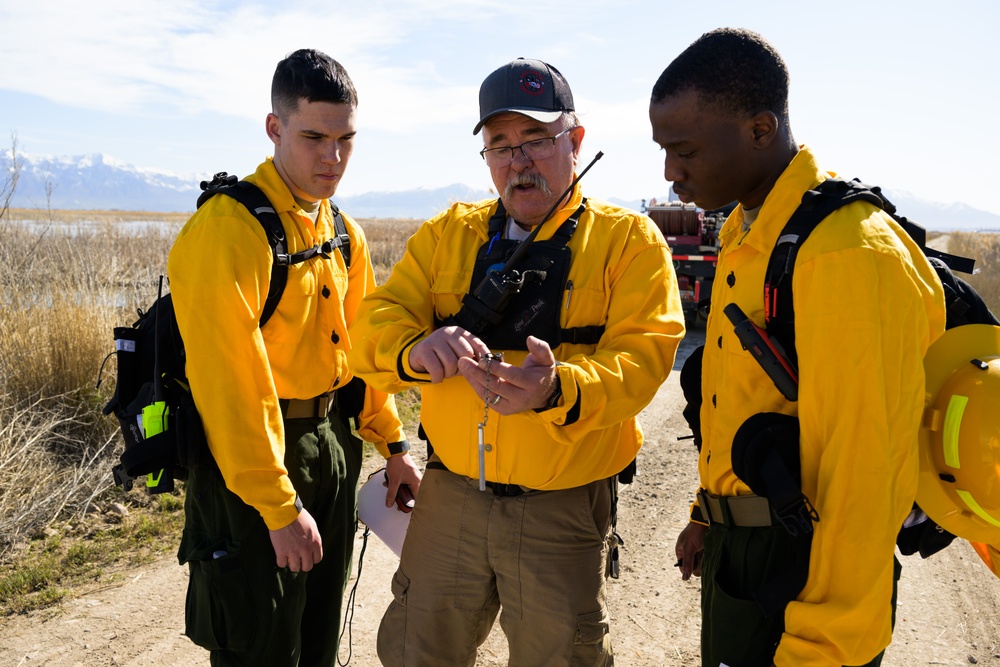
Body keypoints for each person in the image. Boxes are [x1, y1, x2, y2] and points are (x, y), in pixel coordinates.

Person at [347, 57, 685, 666]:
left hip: (561, 505)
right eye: (499, 144)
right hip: (450, 496)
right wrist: (414, 350)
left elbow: (645, 358)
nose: (517, 160)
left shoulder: (628, 241)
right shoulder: (448, 234)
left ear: (575, 141)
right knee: (416, 651)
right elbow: (372, 319)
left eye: (536, 139)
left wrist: (560, 389)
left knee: (559, 656)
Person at [649, 28, 946, 667]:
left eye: (685, 150)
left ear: (761, 130)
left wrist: (822, 647)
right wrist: (709, 516)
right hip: (744, 554)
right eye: (664, 151)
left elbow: (864, 477)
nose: (671, 174)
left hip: (804, 571)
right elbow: (746, 400)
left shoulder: (846, 254)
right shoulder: (751, 232)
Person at [167, 48, 422, 666]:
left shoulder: (342, 231)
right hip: (252, 461)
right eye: (313, 137)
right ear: (275, 128)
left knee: (317, 637)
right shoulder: (228, 231)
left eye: (346, 140)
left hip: (334, 441)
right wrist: (278, 507)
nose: (332, 158)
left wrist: (393, 447)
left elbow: (359, 353)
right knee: (258, 643)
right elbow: (230, 387)